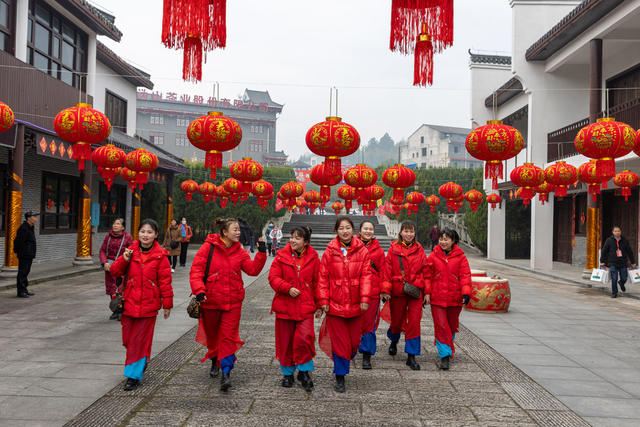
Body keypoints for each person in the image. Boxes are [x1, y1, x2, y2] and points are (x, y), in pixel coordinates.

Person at [190, 218, 267, 391]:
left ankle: (226, 372)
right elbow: (196, 271)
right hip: (210, 301)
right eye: (235, 229)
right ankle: (214, 359)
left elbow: (252, 270)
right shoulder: (208, 248)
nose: (238, 232)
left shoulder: (240, 251)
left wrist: (261, 253)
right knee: (213, 335)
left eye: (239, 229)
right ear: (224, 232)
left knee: (228, 336)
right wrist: (199, 290)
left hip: (233, 302)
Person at [109, 218, 173, 391]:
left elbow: (165, 282)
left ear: (156, 235)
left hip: (149, 305)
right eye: (143, 231)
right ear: (138, 233)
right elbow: (114, 271)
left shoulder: (161, 256)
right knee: (128, 340)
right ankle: (141, 360)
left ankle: (133, 376)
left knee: (138, 340)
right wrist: (123, 259)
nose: (146, 235)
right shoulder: (130, 252)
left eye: (150, 232)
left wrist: (167, 304)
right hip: (129, 303)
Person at [318, 216, 373, 392]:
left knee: (354, 342)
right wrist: (323, 301)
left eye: (347, 227)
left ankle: (345, 361)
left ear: (353, 230)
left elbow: (366, 276)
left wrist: (365, 298)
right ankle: (340, 376)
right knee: (340, 342)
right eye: (341, 228)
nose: (345, 231)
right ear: (336, 231)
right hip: (335, 304)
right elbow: (322, 278)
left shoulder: (362, 251)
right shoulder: (329, 251)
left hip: (356, 304)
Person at [268, 225, 320, 392]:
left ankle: (304, 372)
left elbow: (318, 283)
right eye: (291, 237)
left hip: (305, 306)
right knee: (286, 341)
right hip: (285, 306)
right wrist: (287, 288)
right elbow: (273, 278)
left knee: (305, 338)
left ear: (305, 242)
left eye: (297, 238)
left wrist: (320, 305)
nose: (292, 240)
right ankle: (288, 373)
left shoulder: (313, 257)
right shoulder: (281, 256)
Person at [380, 221, 428, 371]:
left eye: (411, 231)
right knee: (396, 321)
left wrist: (427, 293)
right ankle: (394, 340)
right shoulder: (393, 249)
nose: (408, 234)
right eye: (406, 231)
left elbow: (426, 272)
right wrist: (386, 290)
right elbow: (387, 271)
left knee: (414, 322)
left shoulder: (420, 250)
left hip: (415, 291)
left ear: (414, 233)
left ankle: (411, 356)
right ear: (400, 233)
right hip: (398, 291)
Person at [423, 228, 471, 370]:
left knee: (450, 326)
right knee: (441, 326)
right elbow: (427, 275)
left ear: (453, 241)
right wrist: (427, 293)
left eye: (446, 239)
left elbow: (465, 275)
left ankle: (447, 347)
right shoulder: (433, 256)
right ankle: (445, 355)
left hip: (454, 298)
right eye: (441, 239)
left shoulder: (461, 257)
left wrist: (466, 293)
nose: (443, 242)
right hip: (437, 298)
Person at [356, 220, 386, 370]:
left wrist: (384, 290)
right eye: (365, 228)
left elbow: (383, 272)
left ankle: (367, 355)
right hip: (354, 291)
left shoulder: (379, 251)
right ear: (359, 231)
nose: (368, 231)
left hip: (372, 293)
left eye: (370, 229)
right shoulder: (352, 247)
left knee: (369, 324)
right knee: (354, 322)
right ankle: (353, 347)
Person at [99, 218, 133, 320]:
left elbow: (130, 251)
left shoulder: (128, 237)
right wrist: (104, 262)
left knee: (121, 289)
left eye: (118, 224)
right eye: (114, 223)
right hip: (109, 267)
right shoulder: (108, 236)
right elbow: (102, 251)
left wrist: (123, 261)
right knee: (112, 290)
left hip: (121, 267)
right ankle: (115, 310)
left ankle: (122, 311)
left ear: (123, 227)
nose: (115, 225)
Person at [600, 225, 637, 298]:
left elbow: (629, 252)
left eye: (618, 231)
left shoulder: (624, 240)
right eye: (615, 231)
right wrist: (602, 261)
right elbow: (604, 251)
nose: (617, 232)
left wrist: (633, 262)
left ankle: (621, 283)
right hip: (612, 262)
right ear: (613, 232)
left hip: (623, 262)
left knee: (624, 277)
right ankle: (614, 292)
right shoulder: (609, 240)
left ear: (620, 232)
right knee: (614, 278)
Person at [14, 211, 38, 298]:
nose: (36, 219)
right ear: (29, 218)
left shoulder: (30, 227)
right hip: (24, 254)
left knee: (26, 272)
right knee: (22, 272)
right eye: (34, 217)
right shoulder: (24, 228)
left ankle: (24, 289)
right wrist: (21, 252)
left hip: (29, 254)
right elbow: (18, 242)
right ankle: (20, 291)